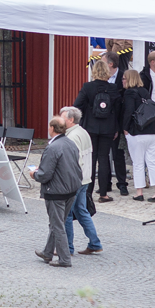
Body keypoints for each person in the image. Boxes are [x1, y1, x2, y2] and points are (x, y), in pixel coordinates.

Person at [73, 61, 126, 202]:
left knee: (90, 159)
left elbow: (77, 106)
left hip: (90, 127)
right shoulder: (113, 88)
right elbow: (118, 111)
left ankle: (87, 193)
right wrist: (116, 128)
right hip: (108, 128)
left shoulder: (87, 87)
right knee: (104, 159)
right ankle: (103, 194)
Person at [32, 115, 80, 267]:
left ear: (52, 128)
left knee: (58, 225)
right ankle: (47, 253)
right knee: (57, 223)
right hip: (71, 190)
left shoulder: (53, 147)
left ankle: (65, 259)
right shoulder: (70, 143)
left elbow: (45, 175)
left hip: (56, 192)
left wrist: (34, 174)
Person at [59, 106, 101, 255]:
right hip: (85, 179)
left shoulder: (72, 137)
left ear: (70, 120)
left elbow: (73, 161)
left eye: (62, 117)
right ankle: (95, 243)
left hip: (75, 180)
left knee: (68, 214)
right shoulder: (83, 132)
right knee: (82, 211)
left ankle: (68, 248)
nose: (59, 120)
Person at [121, 70, 155, 202]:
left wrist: (125, 128)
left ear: (129, 79)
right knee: (152, 162)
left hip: (137, 131)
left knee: (138, 162)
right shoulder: (144, 91)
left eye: (124, 78)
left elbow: (128, 112)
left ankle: (139, 192)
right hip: (154, 130)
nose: (122, 81)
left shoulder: (129, 93)